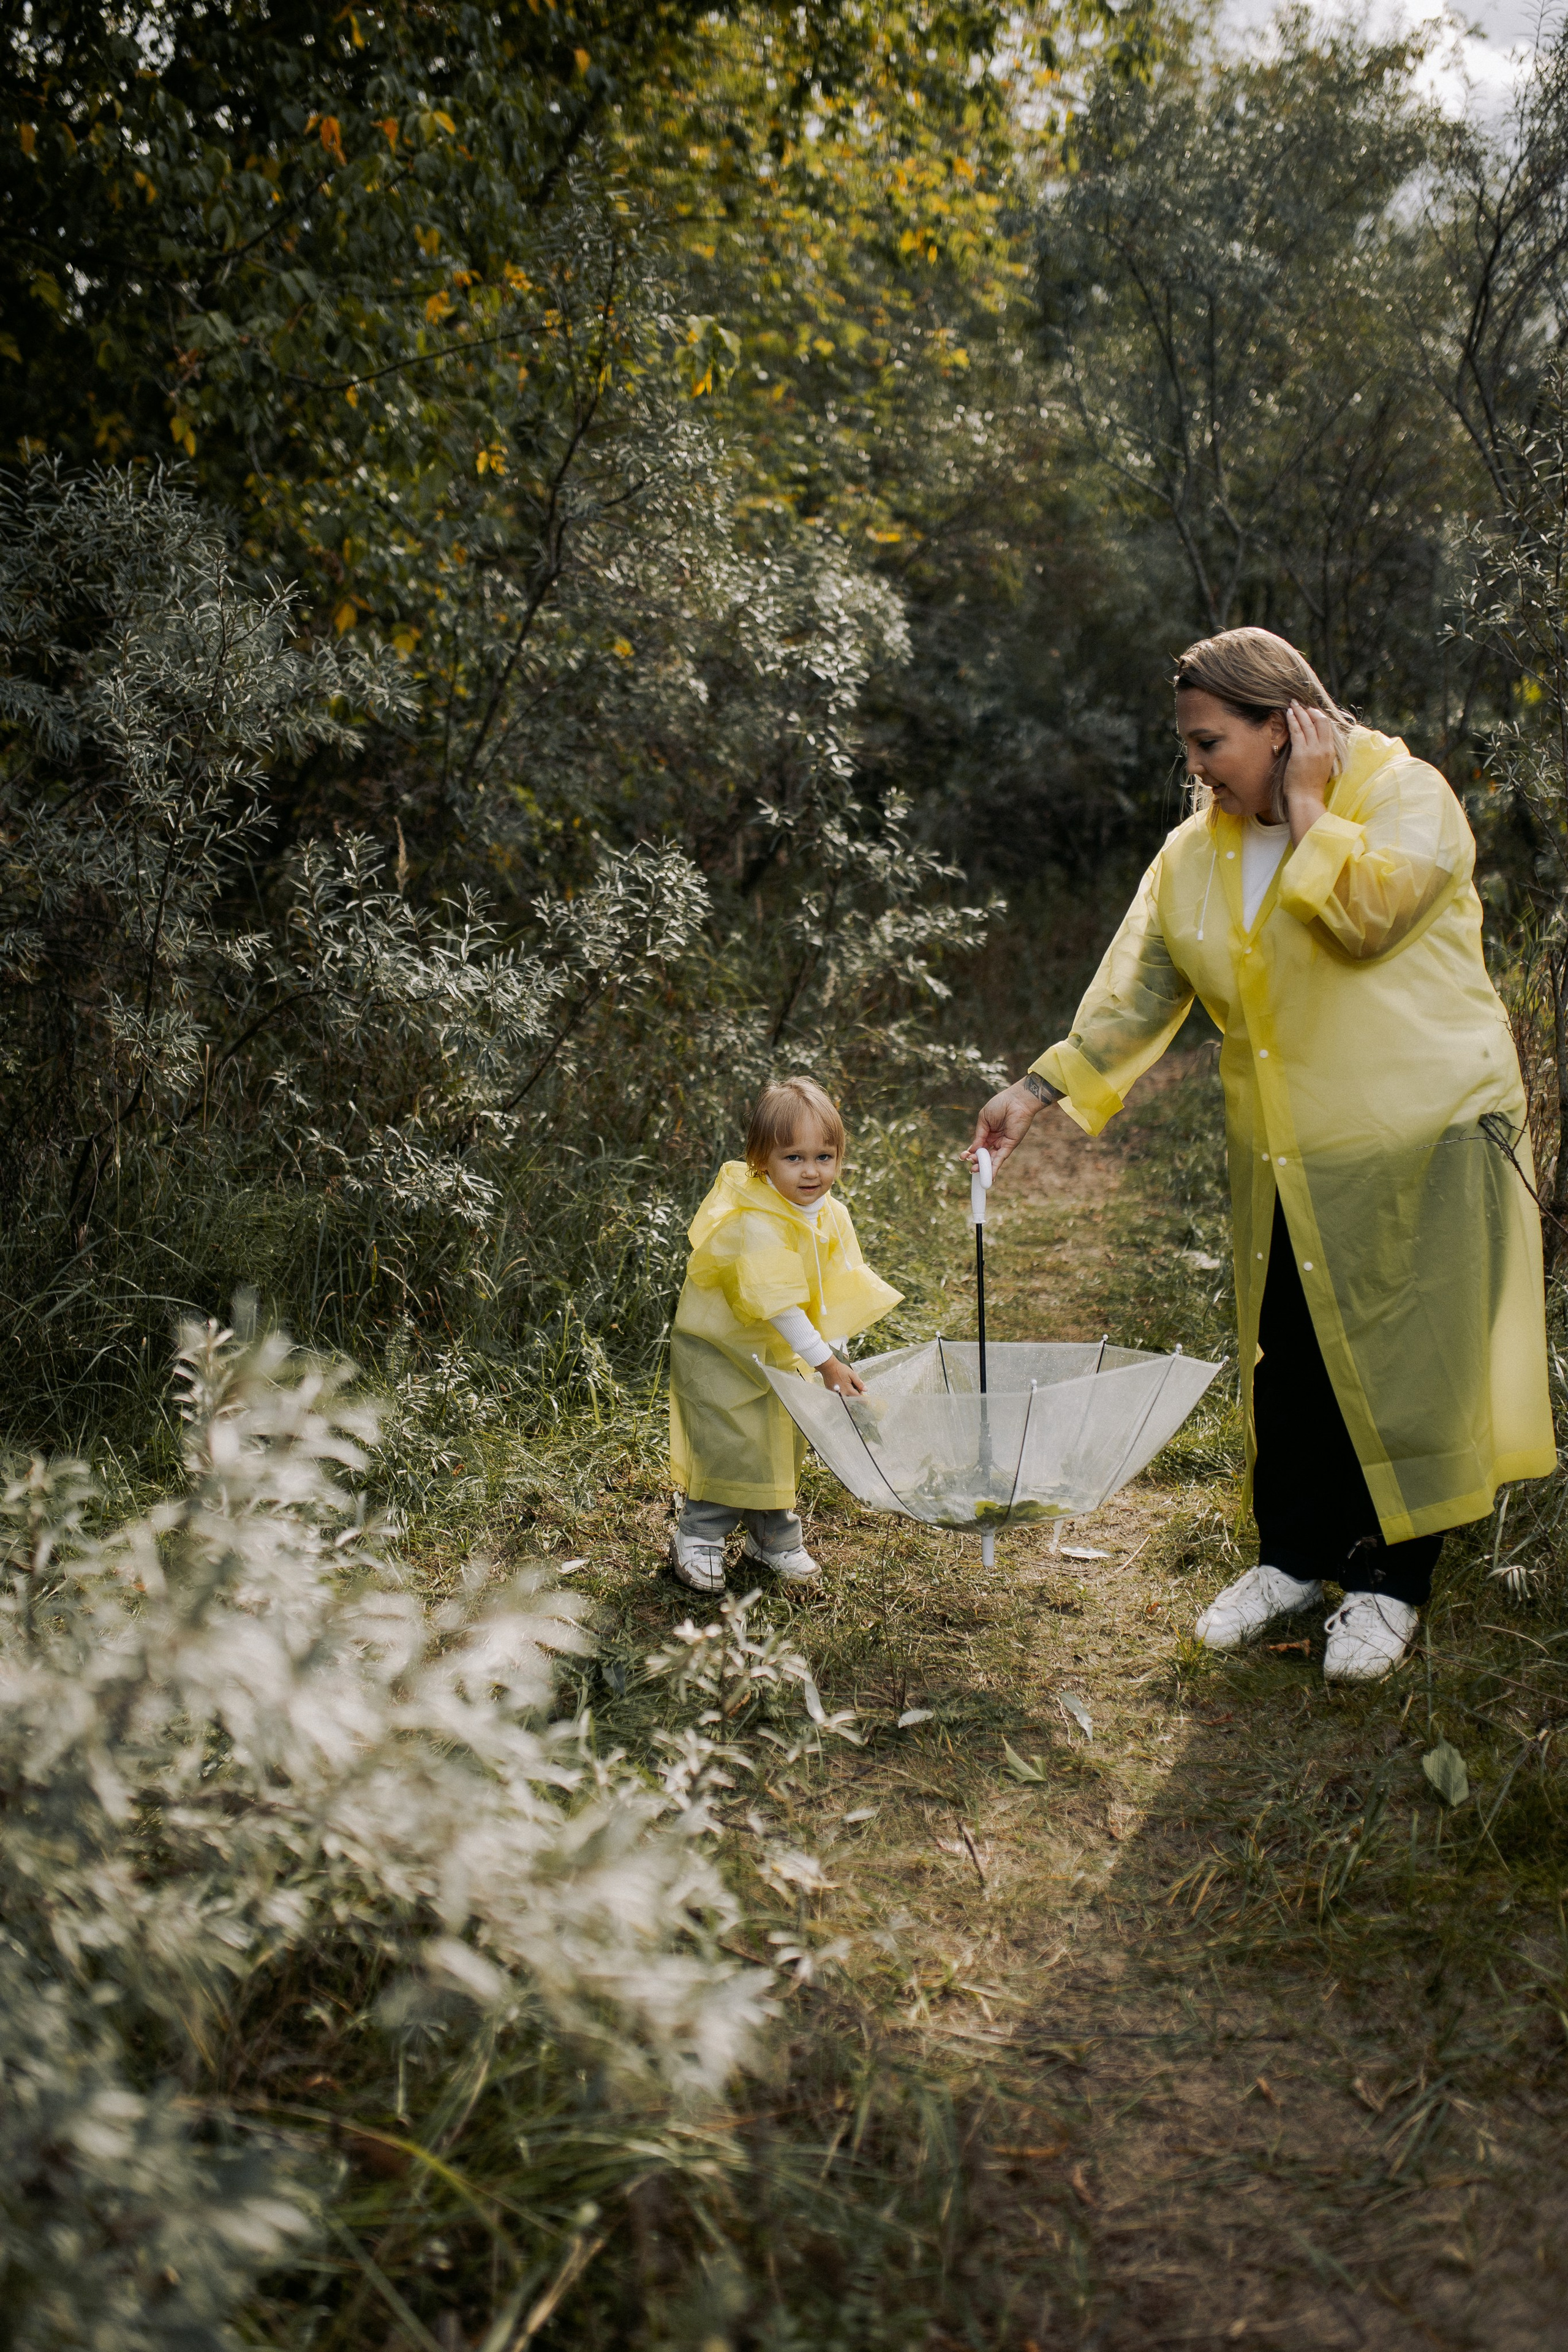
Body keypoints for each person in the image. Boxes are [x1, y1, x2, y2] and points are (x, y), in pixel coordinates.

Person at [968, 627, 1555, 1681]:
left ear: (1284, 728)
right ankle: (1290, 1557)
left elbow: (1368, 917)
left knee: (1404, 1361)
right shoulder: (1202, 846)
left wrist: (1317, 810)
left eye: (1209, 744)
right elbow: (1145, 981)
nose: (1195, 768)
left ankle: (1388, 1582)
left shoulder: (1407, 797)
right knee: (1288, 1355)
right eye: (1190, 747)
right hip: (1287, 1145)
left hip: (1418, 1135)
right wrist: (1038, 1088)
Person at [668, 1077, 902, 1594]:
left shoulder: (832, 1215)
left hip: (787, 1351)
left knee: (780, 1437)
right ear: (761, 1161)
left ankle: (773, 1538)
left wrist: (836, 1352)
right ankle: (699, 1535)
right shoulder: (758, 1221)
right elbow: (779, 1304)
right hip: (724, 1347)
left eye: (825, 1156)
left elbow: (836, 1288)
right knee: (731, 1437)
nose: (812, 1172)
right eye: (793, 1158)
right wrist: (825, 1363)